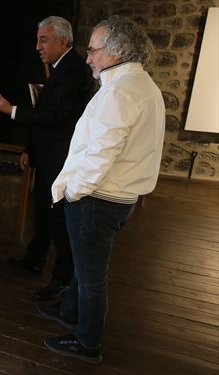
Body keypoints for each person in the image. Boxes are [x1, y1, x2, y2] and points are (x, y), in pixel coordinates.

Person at [38, 15, 165, 364]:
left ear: (118, 50)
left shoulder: (122, 91)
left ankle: (87, 341)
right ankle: (70, 311)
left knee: (92, 274)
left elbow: (101, 153)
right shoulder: (140, 86)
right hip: (116, 196)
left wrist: (75, 190)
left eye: (93, 50)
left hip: (99, 197)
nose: (89, 58)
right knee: (84, 265)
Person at [0, 16, 95, 300]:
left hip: (61, 158)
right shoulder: (60, 68)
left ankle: (62, 279)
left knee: (57, 219)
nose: (37, 47)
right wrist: (29, 149)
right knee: (43, 212)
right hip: (47, 154)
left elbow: (54, 115)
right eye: (37, 39)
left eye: (43, 40)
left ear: (62, 41)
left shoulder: (74, 70)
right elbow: (46, 114)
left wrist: (12, 111)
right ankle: (35, 259)